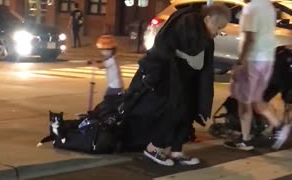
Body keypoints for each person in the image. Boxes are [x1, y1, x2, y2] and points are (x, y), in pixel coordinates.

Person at [121, 4, 230, 166]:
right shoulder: (187, 23)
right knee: (173, 112)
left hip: (188, 78)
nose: (218, 32)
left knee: (187, 113)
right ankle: (153, 147)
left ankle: (176, 151)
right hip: (172, 77)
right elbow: (179, 48)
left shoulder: (204, 34)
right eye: (218, 27)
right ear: (207, 19)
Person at [224, 0, 289, 151]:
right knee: (256, 98)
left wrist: (240, 61)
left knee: (244, 100)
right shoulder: (268, 6)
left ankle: (246, 139)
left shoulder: (250, 8)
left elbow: (249, 38)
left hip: (252, 59)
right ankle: (278, 127)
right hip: (266, 58)